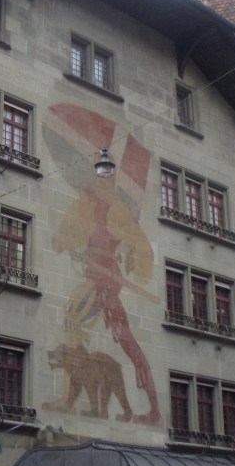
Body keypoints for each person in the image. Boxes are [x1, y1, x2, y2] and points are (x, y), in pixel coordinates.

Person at [54, 168, 160, 424]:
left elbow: (140, 246)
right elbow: (70, 236)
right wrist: (64, 243)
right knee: (74, 322)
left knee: (124, 340)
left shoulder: (118, 211)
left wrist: (134, 261)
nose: (99, 185)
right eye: (98, 179)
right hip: (95, 277)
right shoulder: (87, 207)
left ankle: (154, 410)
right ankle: (68, 400)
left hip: (106, 282)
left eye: (105, 180)